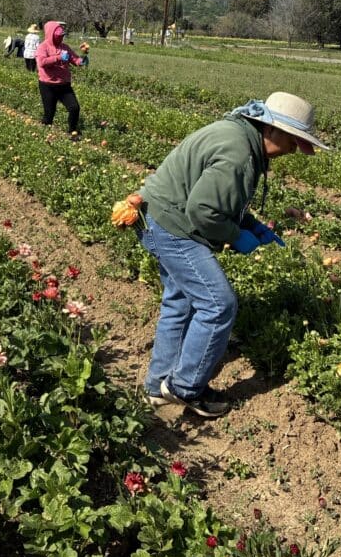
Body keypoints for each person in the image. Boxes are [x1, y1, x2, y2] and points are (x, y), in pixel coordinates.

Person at [138, 92, 329, 418]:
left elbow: (216, 197)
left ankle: (157, 388)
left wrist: (251, 225)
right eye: (294, 141)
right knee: (218, 305)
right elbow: (204, 211)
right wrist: (237, 236)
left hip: (156, 214)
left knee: (180, 302)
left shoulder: (239, 135)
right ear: (273, 130)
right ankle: (183, 388)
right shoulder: (240, 154)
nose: (295, 150)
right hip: (174, 226)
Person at [36, 21, 85, 138]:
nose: (61, 38)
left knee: (74, 108)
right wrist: (58, 57)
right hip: (47, 85)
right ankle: (43, 135)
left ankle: (72, 131)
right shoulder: (43, 47)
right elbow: (42, 63)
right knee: (49, 114)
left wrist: (81, 61)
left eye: (62, 35)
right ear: (50, 34)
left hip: (64, 85)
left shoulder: (65, 47)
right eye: (58, 35)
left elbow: (75, 59)